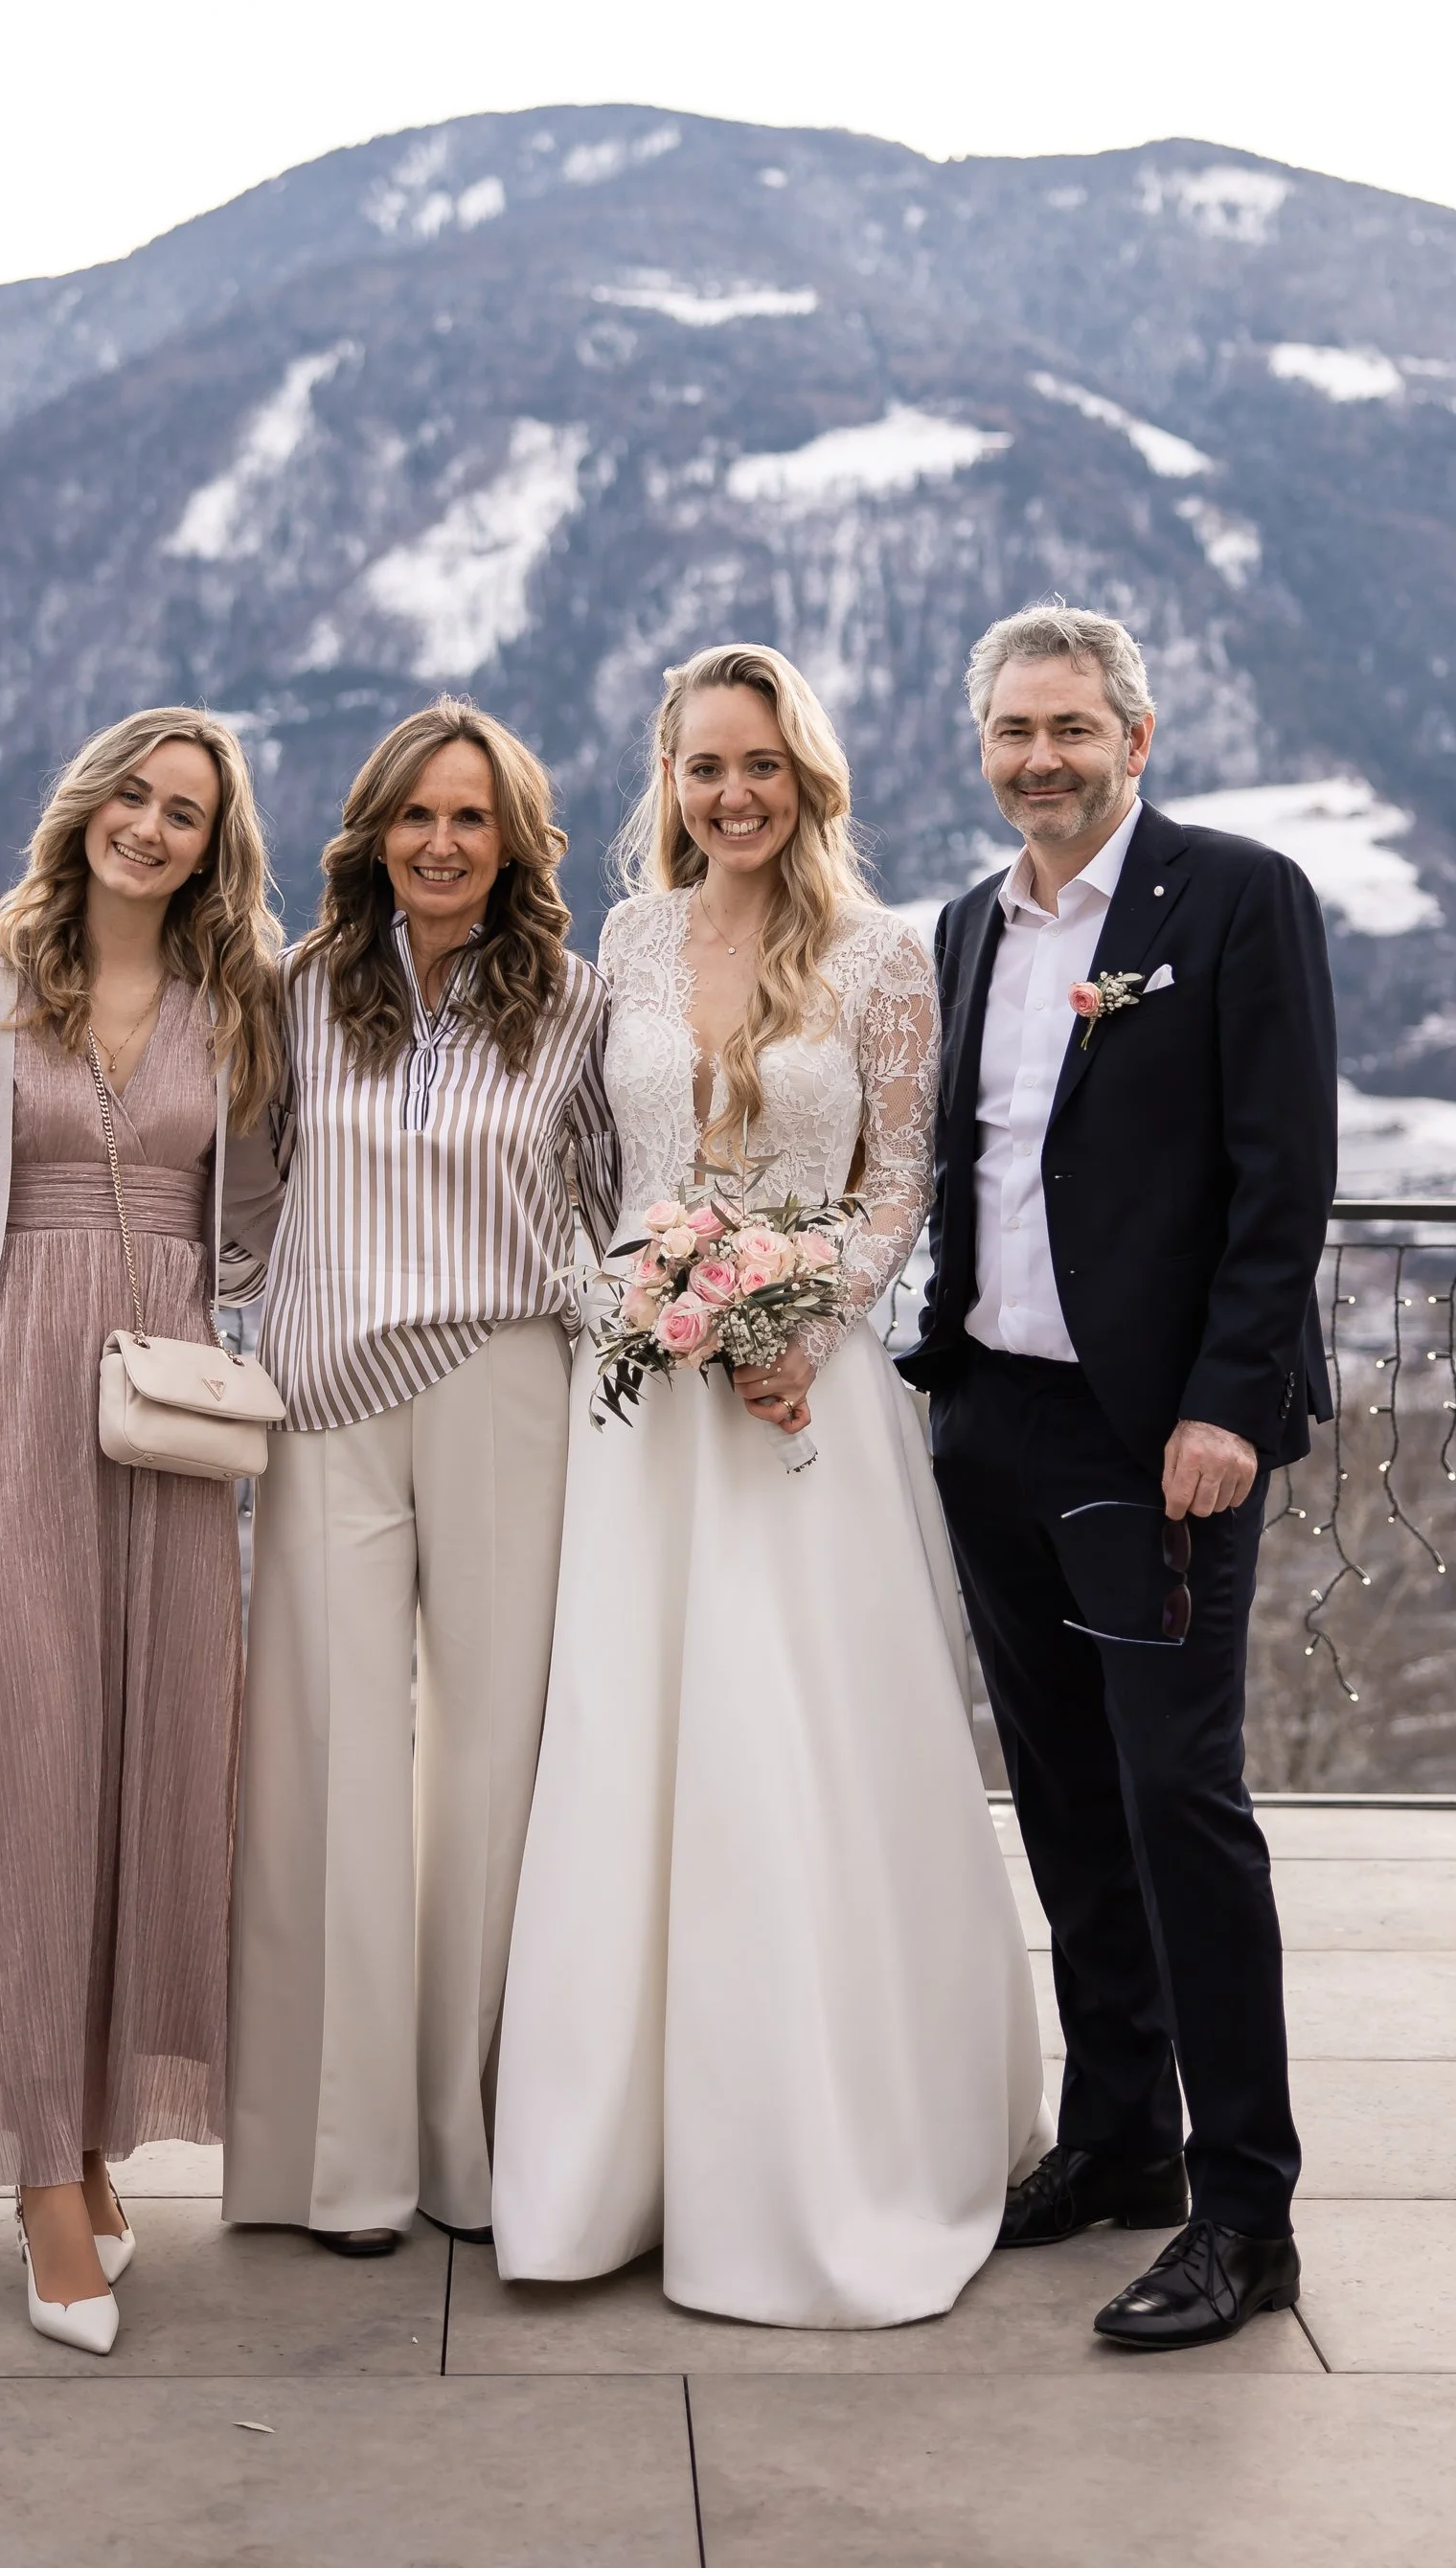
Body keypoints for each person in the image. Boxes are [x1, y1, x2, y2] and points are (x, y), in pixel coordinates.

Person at [491, 644, 1044, 2329]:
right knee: (634, 1745)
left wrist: (804, 1320)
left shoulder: (882, 954)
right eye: (704, 767)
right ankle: (615, 2162)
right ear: (669, 783)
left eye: (761, 765)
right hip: (642, 1404)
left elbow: (900, 1181)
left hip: (807, 1397)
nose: (733, 795)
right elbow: (591, 1160)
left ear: (808, 777)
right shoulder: (629, 941)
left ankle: (816, 2153)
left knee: (798, 1739)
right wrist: (629, 1299)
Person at [902, 603, 1337, 2351]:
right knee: (1067, 1797)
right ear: (984, 748)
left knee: (1180, 1806)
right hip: (992, 1419)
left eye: (1073, 727)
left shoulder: (1234, 898)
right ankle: (1119, 2138)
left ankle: (1246, 2215)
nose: (1043, 759)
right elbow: (975, 1165)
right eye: (1015, 731)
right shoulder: (966, 926)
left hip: (1158, 1439)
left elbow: (1283, 1175)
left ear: (1135, 740)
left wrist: (1227, 1405)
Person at [0, 707, 284, 2355]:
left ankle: (96, 2130)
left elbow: (261, 1215)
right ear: (89, 803)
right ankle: (43, 2171)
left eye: (186, 812)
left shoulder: (235, 993)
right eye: (135, 794)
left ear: (211, 847)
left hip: (166, 1407)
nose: (151, 826)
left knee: (148, 1771)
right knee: (19, 1772)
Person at [223, 698, 620, 2257]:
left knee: (492, 1769)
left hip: (509, 1383)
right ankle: (339, 2161)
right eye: (416, 815)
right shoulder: (296, 988)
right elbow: (239, 1201)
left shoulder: (577, 1004)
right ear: (374, 833)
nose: (441, 843)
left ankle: (477, 2146)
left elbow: (620, 1208)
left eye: (470, 817)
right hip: (321, 1395)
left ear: (513, 842)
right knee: (322, 1765)